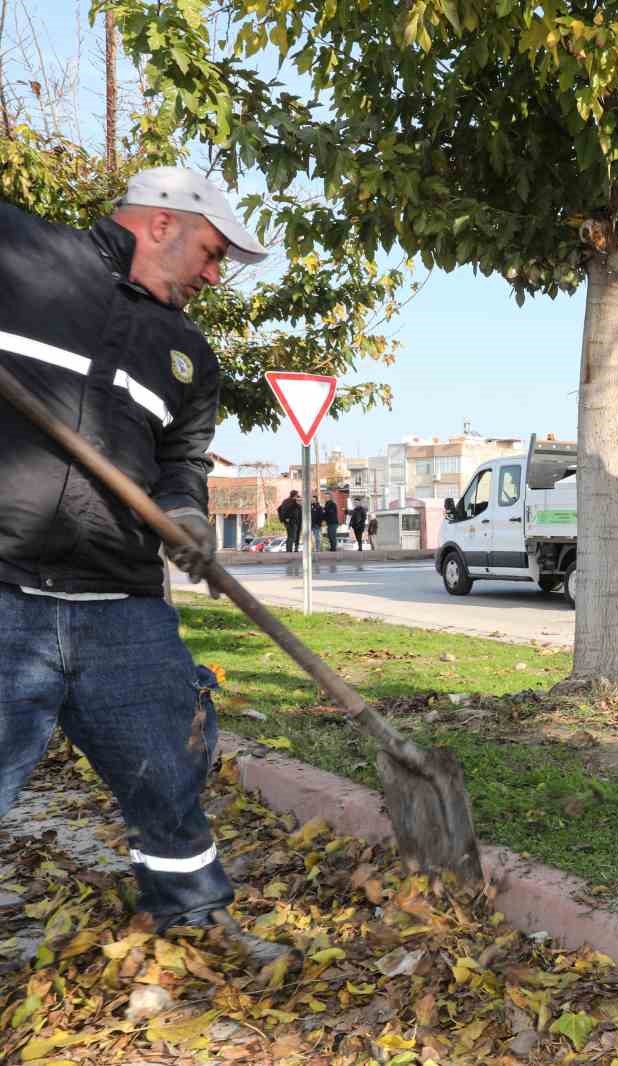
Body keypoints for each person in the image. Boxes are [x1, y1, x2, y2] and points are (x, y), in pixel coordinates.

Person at [0, 167, 273, 938]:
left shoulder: (188, 353)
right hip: (5, 590)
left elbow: (182, 459)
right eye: (212, 253)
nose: (214, 277)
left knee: (169, 772)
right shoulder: (21, 253)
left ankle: (193, 916)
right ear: (160, 224)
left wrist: (184, 517)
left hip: (121, 605)